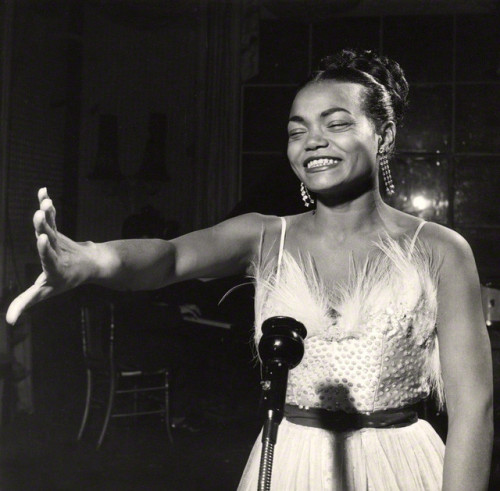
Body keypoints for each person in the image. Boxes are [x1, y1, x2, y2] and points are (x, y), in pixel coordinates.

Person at [7, 49, 492, 490]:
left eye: (336, 123)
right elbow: (170, 257)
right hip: (292, 465)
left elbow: (474, 408)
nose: (311, 141)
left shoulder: (440, 249)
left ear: (383, 135)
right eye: (296, 130)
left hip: (400, 467)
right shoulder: (265, 235)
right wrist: (93, 259)